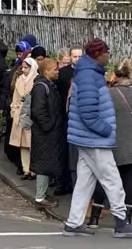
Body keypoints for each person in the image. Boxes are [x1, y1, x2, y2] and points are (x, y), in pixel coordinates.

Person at [63, 38, 132, 238]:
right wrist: (106, 129)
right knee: (112, 180)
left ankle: (74, 223)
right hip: (94, 139)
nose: (109, 55)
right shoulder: (90, 76)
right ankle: (121, 223)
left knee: (85, 182)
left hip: (86, 137)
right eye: (107, 52)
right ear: (98, 54)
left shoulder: (86, 73)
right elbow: (88, 112)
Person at [87, 59, 132, 228]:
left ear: (115, 74)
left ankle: (94, 217)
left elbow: (98, 117)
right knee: (128, 181)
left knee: (103, 180)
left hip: (110, 143)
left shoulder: (107, 93)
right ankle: (127, 219)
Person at [30, 58, 64, 208]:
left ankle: (42, 193)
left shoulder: (48, 85)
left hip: (48, 133)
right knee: (43, 165)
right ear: (46, 71)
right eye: (54, 69)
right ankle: (40, 197)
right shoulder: (41, 87)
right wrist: (48, 126)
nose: (57, 71)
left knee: (46, 163)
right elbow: (38, 110)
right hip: (44, 134)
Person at [55, 44, 83, 195]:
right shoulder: (64, 73)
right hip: (66, 117)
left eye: (80, 56)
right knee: (66, 152)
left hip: (80, 118)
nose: (77, 59)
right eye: (75, 56)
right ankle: (65, 182)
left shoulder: (86, 72)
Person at [10, 57, 39, 180]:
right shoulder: (19, 80)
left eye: (26, 68)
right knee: (22, 145)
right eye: (22, 67)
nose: (23, 70)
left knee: (32, 144)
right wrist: (14, 110)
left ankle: (33, 170)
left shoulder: (36, 80)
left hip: (30, 115)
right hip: (20, 113)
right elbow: (15, 97)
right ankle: (26, 169)